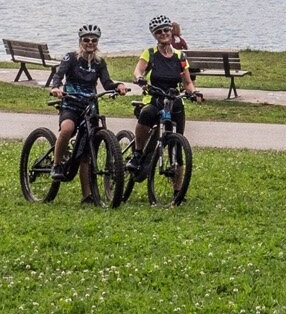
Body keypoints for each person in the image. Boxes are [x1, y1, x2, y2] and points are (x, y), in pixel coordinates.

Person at [45, 24, 128, 200]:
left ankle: (87, 195)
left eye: (94, 40)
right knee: (67, 129)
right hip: (71, 102)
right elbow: (59, 75)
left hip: (90, 106)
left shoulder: (99, 62)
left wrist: (118, 86)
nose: (90, 43)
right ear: (80, 41)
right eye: (86, 40)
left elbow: (106, 82)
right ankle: (57, 164)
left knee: (86, 153)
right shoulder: (71, 57)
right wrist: (56, 87)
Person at [131, 15, 203, 167]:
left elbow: (188, 82)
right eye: (159, 32)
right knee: (146, 114)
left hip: (173, 100)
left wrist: (194, 92)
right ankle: (137, 153)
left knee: (177, 144)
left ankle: (178, 188)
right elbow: (138, 70)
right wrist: (140, 78)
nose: (163, 34)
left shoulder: (180, 56)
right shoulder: (150, 53)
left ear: (171, 32)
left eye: (166, 30)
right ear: (154, 35)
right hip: (154, 97)